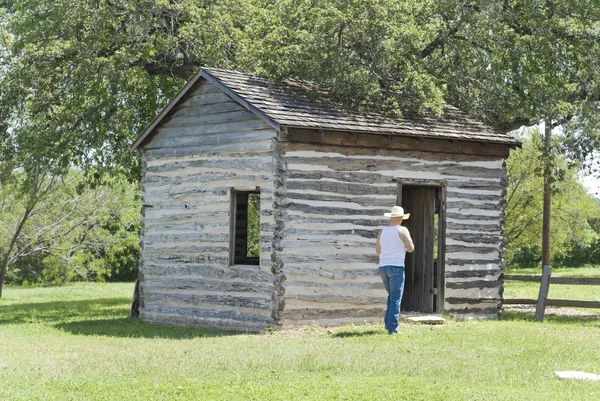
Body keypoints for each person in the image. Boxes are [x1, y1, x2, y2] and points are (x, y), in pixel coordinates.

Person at [376, 206, 414, 334]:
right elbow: (410, 248)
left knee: (392, 296)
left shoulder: (382, 231)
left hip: (383, 267)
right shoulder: (402, 230)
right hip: (396, 266)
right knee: (396, 298)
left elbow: (378, 250)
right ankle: (393, 329)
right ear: (399, 218)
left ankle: (388, 324)